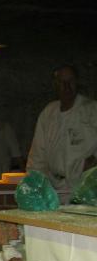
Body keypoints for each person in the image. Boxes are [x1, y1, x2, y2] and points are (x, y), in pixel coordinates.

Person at [27, 65, 97, 199]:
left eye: (70, 81)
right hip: (55, 188)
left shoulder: (92, 110)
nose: (67, 86)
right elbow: (37, 156)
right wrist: (36, 185)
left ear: (77, 82)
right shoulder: (48, 113)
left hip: (86, 187)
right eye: (62, 82)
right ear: (56, 85)